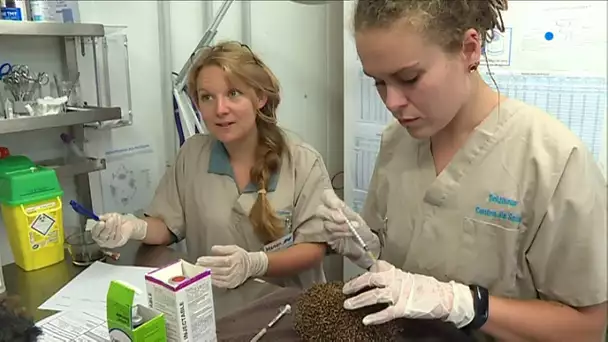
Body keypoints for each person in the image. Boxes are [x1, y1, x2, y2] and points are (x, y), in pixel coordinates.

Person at [316, 0, 607, 341]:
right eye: (378, 82)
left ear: (469, 49)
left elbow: (586, 327)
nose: (392, 102)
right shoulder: (397, 142)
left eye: (409, 78)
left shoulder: (553, 161)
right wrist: (369, 248)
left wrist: (468, 304)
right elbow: (408, 269)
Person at [92, 41, 332, 290]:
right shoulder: (193, 155)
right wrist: (132, 227)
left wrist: (256, 264)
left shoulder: (301, 161)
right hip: (215, 308)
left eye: (233, 94)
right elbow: (166, 226)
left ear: (260, 97)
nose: (220, 109)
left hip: (288, 310)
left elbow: (314, 247)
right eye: (207, 97)